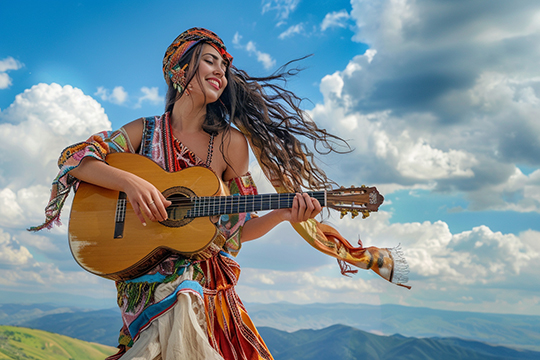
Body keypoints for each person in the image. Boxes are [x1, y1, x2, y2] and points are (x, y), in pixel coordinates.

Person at [31, 28, 409, 360]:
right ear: (181, 70)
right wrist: (131, 183)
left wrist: (285, 214)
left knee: (186, 298)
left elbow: (238, 229)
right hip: (144, 279)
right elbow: (74, 159)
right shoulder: (143, 132)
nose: (221, 72)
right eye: (210, 61)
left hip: (204, 283)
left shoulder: (231, 144)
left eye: (224, 67)